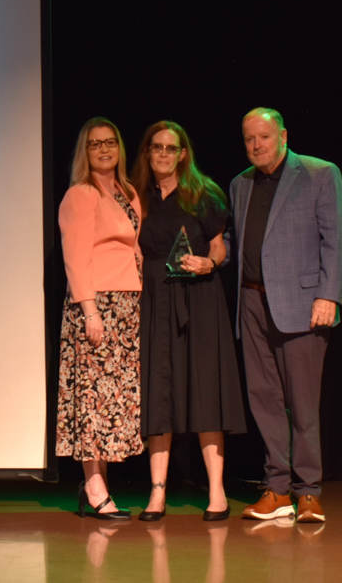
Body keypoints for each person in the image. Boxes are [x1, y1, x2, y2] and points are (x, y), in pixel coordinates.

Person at [228, 108, 342, 523]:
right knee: (264, 400)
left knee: (302, 402)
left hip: (302, 304)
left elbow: (337, 239)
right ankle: (278, 489)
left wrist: (328, 295)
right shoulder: (240, 183)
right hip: (251, 303)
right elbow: (238, 241)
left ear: (283, 136)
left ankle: (308, 491)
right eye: (249, 139)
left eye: (264, 137)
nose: (256, 145)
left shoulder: (319, 173)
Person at [131, 121, 246, 523]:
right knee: (159, 393)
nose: (163, 154)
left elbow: (220, 248)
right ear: (147, 152)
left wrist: (209, 263)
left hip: (199, 298)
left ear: (183, 154)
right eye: (156, 147)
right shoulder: (137, 197)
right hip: (154, 301)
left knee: (205, 391)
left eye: (171, 148)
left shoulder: (203, 193)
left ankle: (216, 491)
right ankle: (157, 491)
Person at [57, 117, 143, 520]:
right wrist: (90, 310)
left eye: (110, 142)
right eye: (95, 144)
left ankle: (98, 484)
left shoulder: (128, 192)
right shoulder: (81, 194)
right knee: (93, 398)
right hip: (97, 306)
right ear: (85, 151)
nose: (104, 149)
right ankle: (94, 487)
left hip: (127, 306)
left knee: (111, 401)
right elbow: (75, 257)